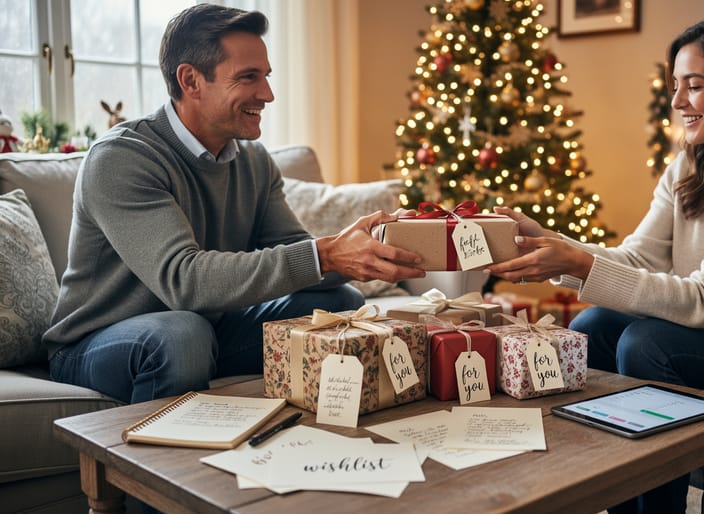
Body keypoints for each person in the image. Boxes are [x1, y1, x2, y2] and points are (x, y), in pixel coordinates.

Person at [486, 12, 704, 514]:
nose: (677, 102)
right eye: (676, 85)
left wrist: (580, 265)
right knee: (594, 326)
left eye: (694, 86)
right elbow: (637, 258)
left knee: (647, 344)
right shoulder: (688, 168)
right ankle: (616, 499)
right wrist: (552, 246)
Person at [44, 4, 425, 406]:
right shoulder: (122, 158)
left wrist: (367, 248)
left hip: (205, 328)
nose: (268, 94)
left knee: (337, 304)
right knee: (182, 334)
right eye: (249, 77)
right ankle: (166, 462)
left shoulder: (253, 161)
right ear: (191, 80)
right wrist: (327, 254)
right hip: (96, 341)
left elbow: (301, 257)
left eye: (266, 76)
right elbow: (184, 282)